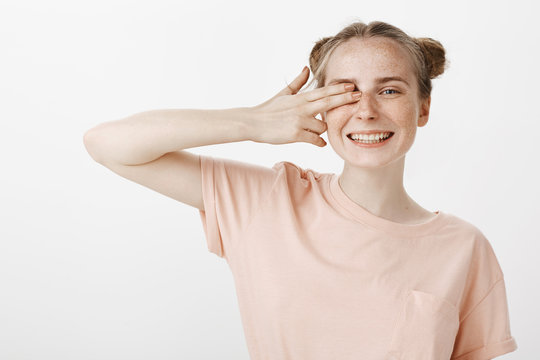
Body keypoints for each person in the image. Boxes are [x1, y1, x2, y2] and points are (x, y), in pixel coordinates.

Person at [83, 20, 518, 360]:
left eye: (389, 90)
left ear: (422, 107)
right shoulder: (267, 201)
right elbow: (106, 144)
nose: (366, 110)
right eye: (346, 93)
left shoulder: (465, 247)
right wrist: (252, 122)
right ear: (319, 108)